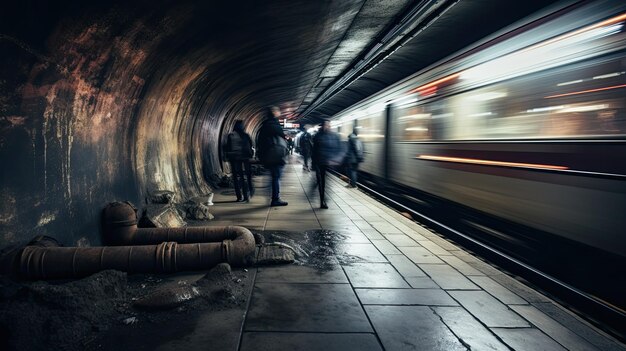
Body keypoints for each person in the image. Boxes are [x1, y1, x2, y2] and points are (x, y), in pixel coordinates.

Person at [256, 106, 288, 206]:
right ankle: (275, 198)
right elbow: (282, 137)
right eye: (278, 111)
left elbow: (260, 141)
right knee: (276, 177)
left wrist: (262, 156)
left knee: (273, 177)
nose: (279, 112)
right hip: (275, 155)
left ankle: (272, 195)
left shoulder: (264, 125)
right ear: (274, 112)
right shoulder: (274, 124)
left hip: (268, 155)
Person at [312, 120, 341, 209]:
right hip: (320, 161)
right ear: (322, 126)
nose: (327, 127)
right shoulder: (317, 136)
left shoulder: (334, 135)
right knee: (322, 182)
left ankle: (323, 197)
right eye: (326, 125)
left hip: (329, 162)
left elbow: (338, 147)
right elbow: (314, 150)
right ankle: (322, 201)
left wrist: (336, 159)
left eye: (329, 125)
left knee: (326, 182)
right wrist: (313, 162)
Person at [224, 120, 254, 202]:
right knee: (245, 177)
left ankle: (239, 196)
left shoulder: (231, 135)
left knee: (236, 178)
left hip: (234, 160)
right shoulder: (245, 135)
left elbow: (227, 147)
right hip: (245, 160)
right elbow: (251, 145)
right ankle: (247, 195)